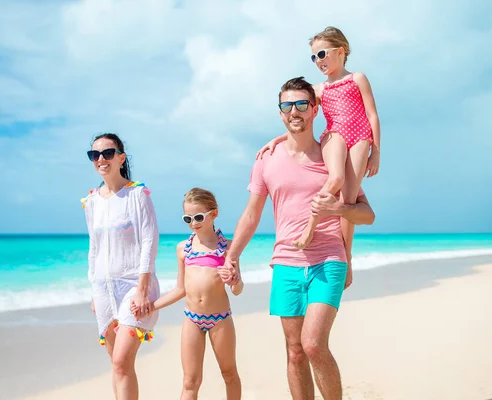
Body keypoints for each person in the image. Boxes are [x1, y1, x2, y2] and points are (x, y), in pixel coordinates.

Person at [224, 77, 375, 400]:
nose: (295, 111)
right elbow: (252, 214)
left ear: (315, 109)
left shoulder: (333, 156)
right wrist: (232, 255)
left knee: (313, 344)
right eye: (287, 105)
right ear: (280, 112)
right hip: (285, 264)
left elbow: (366, 213)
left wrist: (338, 209)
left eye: (302, 104)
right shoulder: (267, 159)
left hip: (328, 260)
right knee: (294, 351)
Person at [257, 26, 381, 273]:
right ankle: (310, 227)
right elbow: (299, 115)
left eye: (322, 54)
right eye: (314, 57)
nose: (318, 61)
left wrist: (375, 152)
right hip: (333, 136)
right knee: (335, 178)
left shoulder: (357, 78)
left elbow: (372, 114)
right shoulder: (319, 89)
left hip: (359, 138)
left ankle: (346, 257)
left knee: (348, 199)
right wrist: (279, 139)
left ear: (340, 51)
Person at [134, 187, 243, 400]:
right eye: (187, 218)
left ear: (214, 213)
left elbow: (238, 290)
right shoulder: (183, 248)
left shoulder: (228, 248)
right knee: (190, 381)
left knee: (229, 373)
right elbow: (180, 289)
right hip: (192, 319)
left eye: (199, 217)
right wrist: (151, 306)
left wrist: (235, 280)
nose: (193, 223)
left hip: (220, 319)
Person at [81, 133, 161, 400]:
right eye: (95, 155)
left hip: (133, 287)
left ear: (121, 158)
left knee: (121, 362)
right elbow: (94, 248)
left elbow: (149, 241)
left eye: (108, 153)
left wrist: (142, 289)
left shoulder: (137, 195)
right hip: (104, 289)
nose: (101, 159)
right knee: (116, 365)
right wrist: (94, 289)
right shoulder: (91, 201)